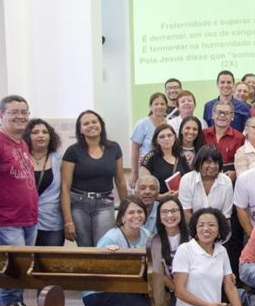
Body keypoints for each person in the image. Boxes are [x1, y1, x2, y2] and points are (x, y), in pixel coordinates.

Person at [0, 95, 37, 306]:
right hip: (4, 221)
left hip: (27, 220)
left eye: (24, 112)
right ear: (2, 115)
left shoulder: (21, 143)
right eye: (14, 112)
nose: (20, 116)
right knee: (11, 277)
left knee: (22, 274)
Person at [82, 196, 152, 306]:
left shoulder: (146, 235)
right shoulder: (111, 238)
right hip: (99, 292)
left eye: (140, 212)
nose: (136, 216)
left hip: (125, 290)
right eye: (131, 212)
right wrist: (110, 257)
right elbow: (95, 268)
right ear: (122, 218)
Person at [61, 110, 127, 247]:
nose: (91, 125)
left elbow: (120, 181)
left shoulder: (114, 148)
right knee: (85, 248)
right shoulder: (73, 151)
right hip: (78, 205)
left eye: (94, 122)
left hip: (105, 204)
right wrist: (68, 221)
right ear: (80, 130)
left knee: (104, 246)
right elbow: (65, 187)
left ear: (101, 125)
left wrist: (126, 210)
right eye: (86, 123)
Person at [23, 118, 64, 247]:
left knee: (51, 258)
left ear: (50, 136)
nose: (41, 135)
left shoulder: (60, 160)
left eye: (45, 132)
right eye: (35, 132)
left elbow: (66, 190)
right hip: (24, 221)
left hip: (52, 222)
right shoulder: (20, 159)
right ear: (27, 136)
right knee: (25, 258)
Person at [151, 196, 190, 306]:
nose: (169, 215)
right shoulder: (155, 241)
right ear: (159, 216)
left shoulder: (192, 237)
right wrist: (179, 290)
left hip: (193, 287)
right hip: (173, 290)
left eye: (173, 211)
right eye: (164, 212)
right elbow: (159, 274)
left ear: (181, 213)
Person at [178, 145, 234, 223]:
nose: (212, 166)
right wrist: (200, 228)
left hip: (219, 227)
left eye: (216, 163)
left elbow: (226, 215)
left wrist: (213, 229)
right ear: (199, 163)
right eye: (208, 162)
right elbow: (186, 212)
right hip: (192, 226)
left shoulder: (226, 181)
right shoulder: (187, 179)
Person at [141, 124, 190, 197]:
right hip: (158, 201)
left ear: (174, 137)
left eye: (169, 135)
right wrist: (161, 197)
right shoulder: (150, 157)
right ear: (156, 140)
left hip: (179, 199)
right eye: (162, 137)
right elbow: (143, 186)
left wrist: (180, 192)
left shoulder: (181, 156)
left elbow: (188, 179)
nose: (166, 139)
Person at [130, 92, 167, 188]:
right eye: (156, 104)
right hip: (146, 167)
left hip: (165, 167)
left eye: (162, 104)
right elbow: (135, 148)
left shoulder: (170, 124)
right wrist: (134, 172)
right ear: (151, 107)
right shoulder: (142, 124)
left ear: (166, 106)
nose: (159, 106)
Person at [202, 100, 245, 179]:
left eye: (226, 113)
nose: (222, 115)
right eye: (219, 112)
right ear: (212, 115)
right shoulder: (202, 134)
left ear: (232, 116)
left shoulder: (240, 138)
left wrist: (235, 174)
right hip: (204, 178)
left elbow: (243, 163)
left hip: (227, 180)